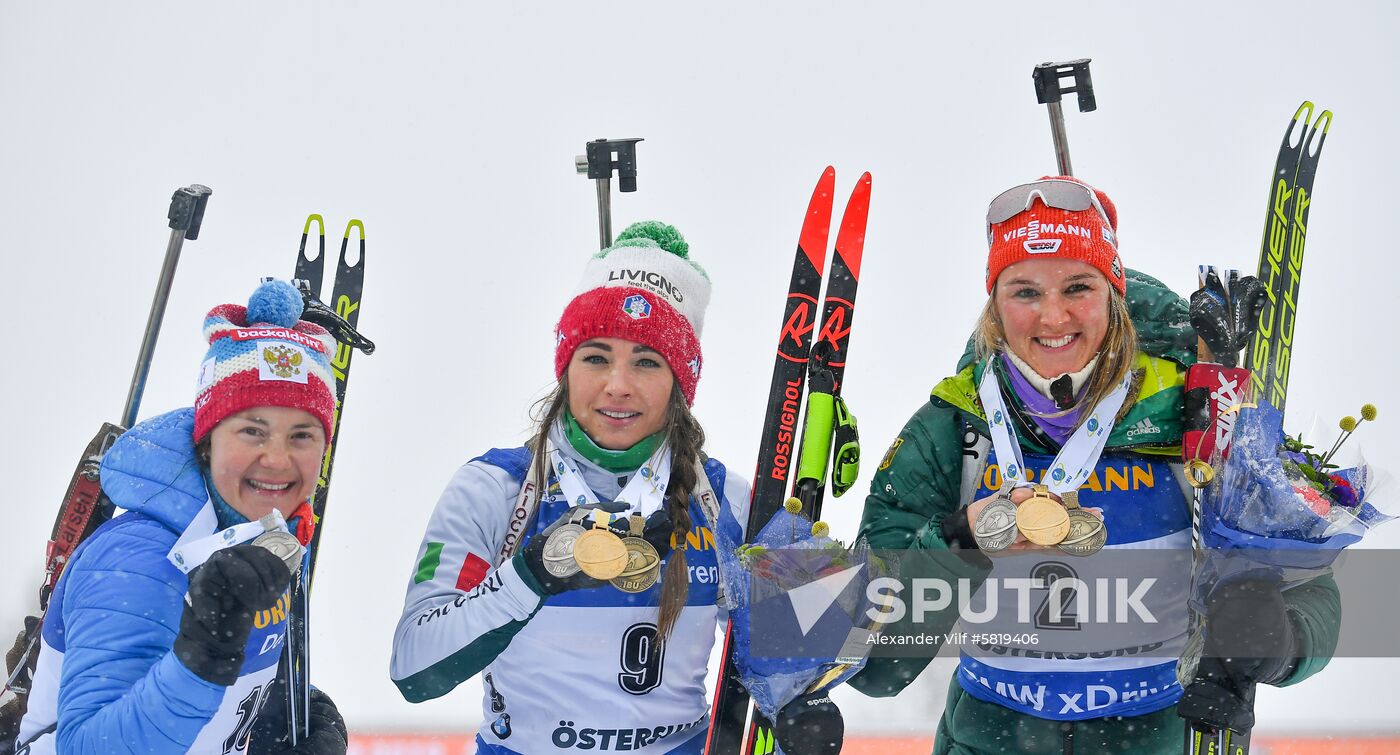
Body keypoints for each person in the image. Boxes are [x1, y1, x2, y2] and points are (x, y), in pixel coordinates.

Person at [846, 177, 1341, 752]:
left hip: (1159, 736)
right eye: (1025, 291)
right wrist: (959, 544)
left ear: (1113, 293)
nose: (1053, 317)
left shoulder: (1197, 413)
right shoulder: (954, 430)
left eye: (1077, 286)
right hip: (990, 738)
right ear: (994, 305)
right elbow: (874, 658)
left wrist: (1280, 642)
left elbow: (1312, 584)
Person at [391, 222, 763, 755]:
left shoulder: (722, 499)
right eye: (595, 357)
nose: (618, 384)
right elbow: (414, 666)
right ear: (566, 369)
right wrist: (528, 576)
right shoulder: (495, 490)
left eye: (646, 362)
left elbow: (827, 647)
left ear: (681, 383)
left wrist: (813, 679)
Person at [14, 280, 348, 754]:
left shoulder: (271, 537)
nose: (277, 459)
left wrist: (267, 716)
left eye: (302, 436)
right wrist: (207, 656)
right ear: (208, 438)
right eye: (253, 430)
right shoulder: (140, 562)